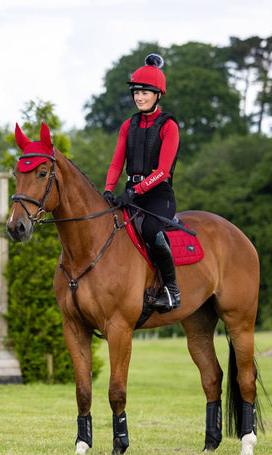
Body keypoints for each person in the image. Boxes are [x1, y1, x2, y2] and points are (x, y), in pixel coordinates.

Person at [103, 54, 181, 312]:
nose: (139, 97)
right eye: (136, 92)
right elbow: (116, 163)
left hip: (159, 195)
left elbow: (163, 171)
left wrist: (135, 190)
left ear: (158, 95)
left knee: (150, 231)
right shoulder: (128, 125)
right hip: (131, 193)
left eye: (145, 92)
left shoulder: (169, 126)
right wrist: (108, 190)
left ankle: (172, 291)